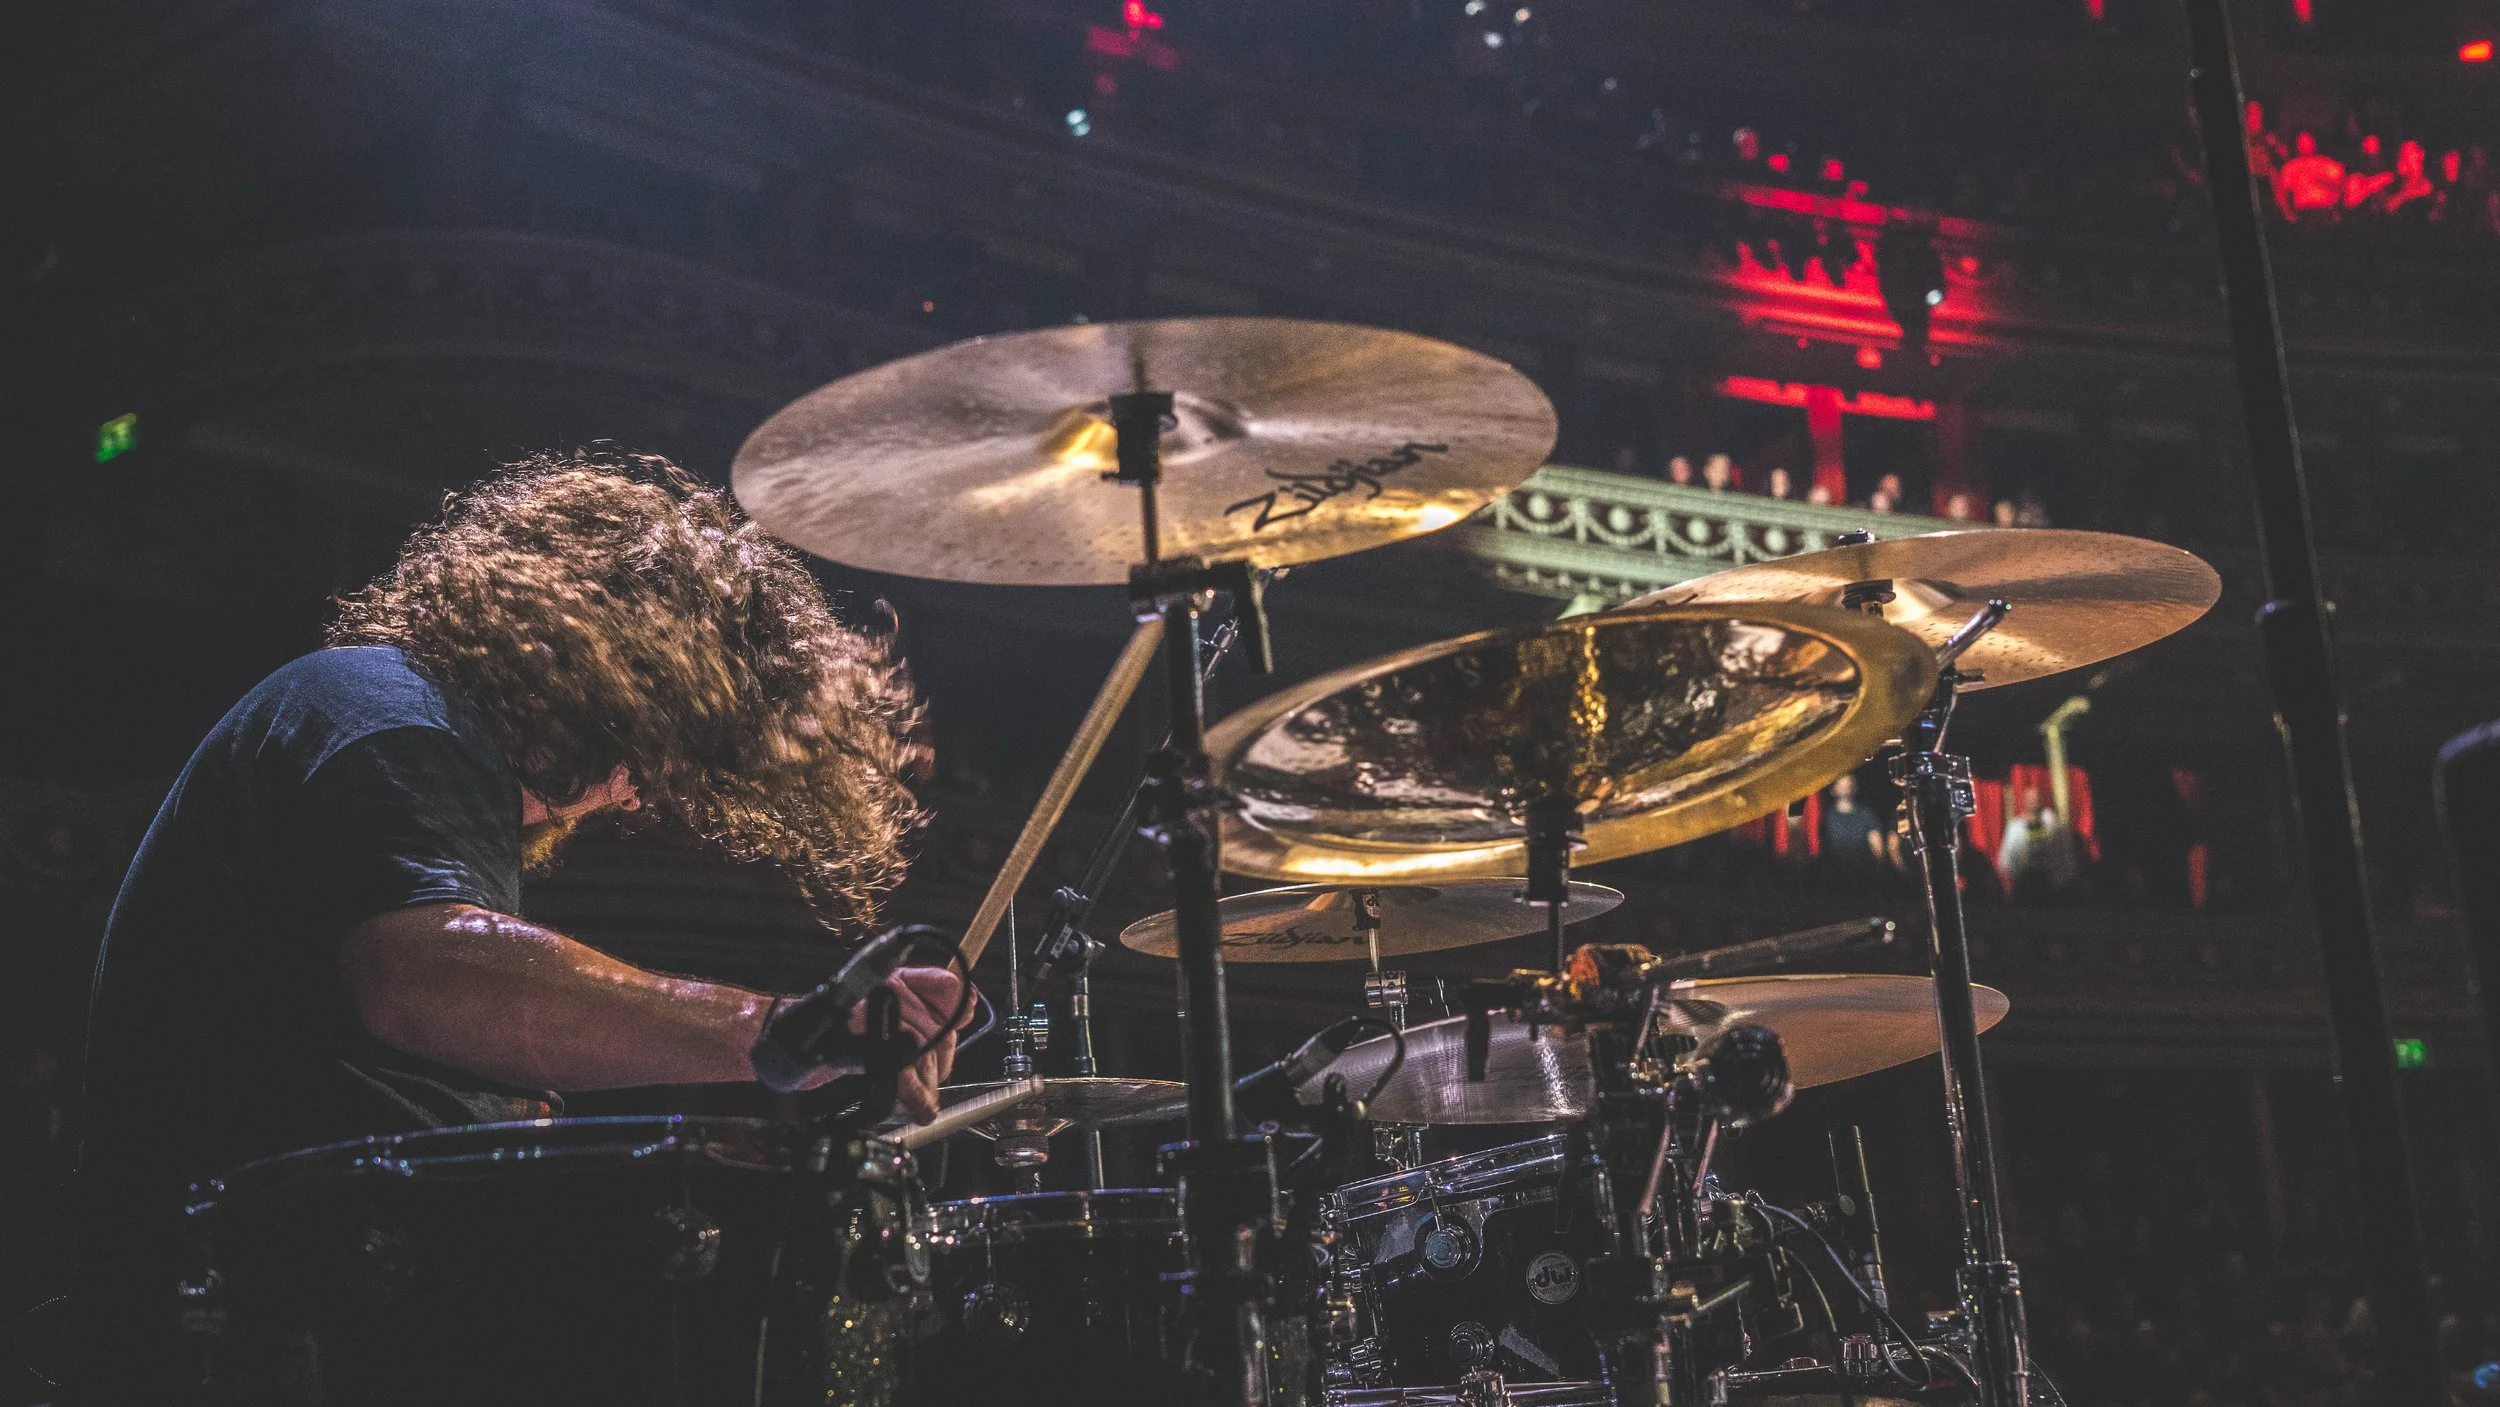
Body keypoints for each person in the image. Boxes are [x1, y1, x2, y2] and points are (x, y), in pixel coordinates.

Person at [72, 450, 971, 1403]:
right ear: (621, 684)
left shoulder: (390, 724)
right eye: (656, 758)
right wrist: (785, 1030)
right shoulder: (392, 716)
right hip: (261, 1332)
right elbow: (424, 975)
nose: (632, 796)